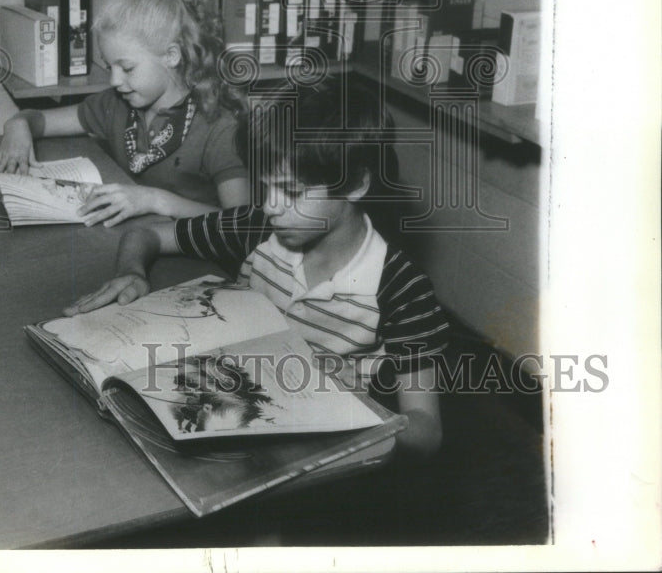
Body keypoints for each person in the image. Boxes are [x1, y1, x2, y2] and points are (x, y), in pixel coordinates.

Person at [64, 78, 448, 455]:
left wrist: (361, 406)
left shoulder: (401, 287)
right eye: (266, 187)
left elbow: (427, 431)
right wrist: (131, 270)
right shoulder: (256, 230)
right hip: (238, 416)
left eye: (293, 192)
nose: (271, 206)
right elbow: (147, 234)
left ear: (356, 185)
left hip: (330, 453)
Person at [0, 0, 250, 225]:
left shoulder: (218, 126)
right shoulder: (116, 104)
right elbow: (40, 120)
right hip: (140, 238)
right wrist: (18, 124)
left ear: (171, 56)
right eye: (108, 65)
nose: (114, 80)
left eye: (126, 68)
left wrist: (155, 200)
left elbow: (241, 224)